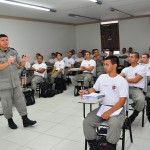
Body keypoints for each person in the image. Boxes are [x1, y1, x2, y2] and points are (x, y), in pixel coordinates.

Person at [80, 55, 128, 150]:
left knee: (114, 124)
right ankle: (93, 145)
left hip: (117, 109)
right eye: (104, 64)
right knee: (87, 122)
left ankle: (110, 146)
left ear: (115, 66)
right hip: (103, 107)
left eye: (107, 64)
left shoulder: (122, 81)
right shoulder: (102, 77)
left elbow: (122, 101)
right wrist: (86, 91)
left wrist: (109, 112)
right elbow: (94, 89)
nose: (104, 66)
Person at [0, 34, 36, 129]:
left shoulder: (13, 51)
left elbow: (19, 65)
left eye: (7, 39)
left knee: (21, 101)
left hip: (15, 82)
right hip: (3, 85)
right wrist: (8, 63)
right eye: (3, 40)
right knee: (7, 104)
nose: (5, 41)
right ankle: (10, 121)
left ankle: (25, 119)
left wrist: (24, 61)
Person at [120, 52, 146, 126]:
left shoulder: (142, 68)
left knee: (141, 100)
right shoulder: (126, 69)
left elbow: (136, 80)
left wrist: (125, 79)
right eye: (129, 57)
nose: (129, 58)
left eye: (132, 57)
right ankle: (116, 116)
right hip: (125, 88)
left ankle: (133, 116)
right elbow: (119, 78)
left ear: (137, 59)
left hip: (136, 89)